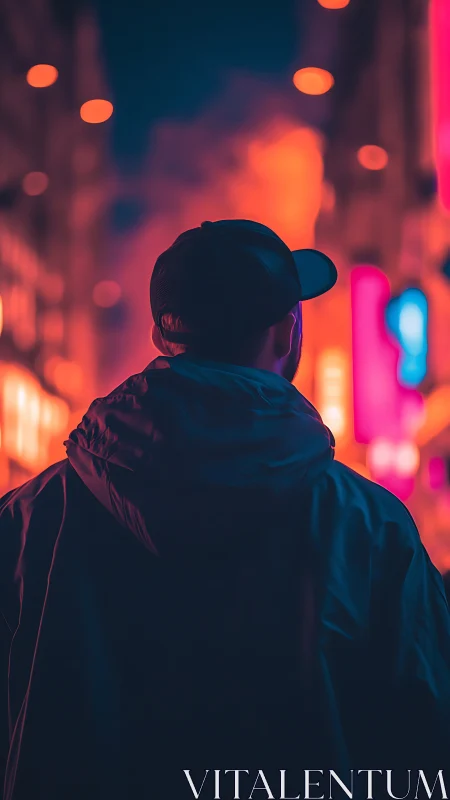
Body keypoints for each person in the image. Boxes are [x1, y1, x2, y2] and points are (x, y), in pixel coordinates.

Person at [1, 219, 450, 800]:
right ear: (286, 333)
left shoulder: (29, 518)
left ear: (162, 336)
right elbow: (424, 733)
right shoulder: (371, 528)